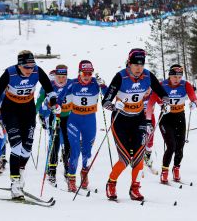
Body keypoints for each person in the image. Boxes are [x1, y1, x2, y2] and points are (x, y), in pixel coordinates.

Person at [102, 48, 169, 201]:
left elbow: (162, 92)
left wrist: (166, 102)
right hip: (120, 120)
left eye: (141, 64)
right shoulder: (120, 77)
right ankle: (111, 183)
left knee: (138, 157)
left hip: (138, 119)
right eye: (135, 64)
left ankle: (135, 188)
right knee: (125, 158)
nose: (139, 67)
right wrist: (113, 106)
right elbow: (105, 101)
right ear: (129, 64)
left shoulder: (147, 75)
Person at [0, 50, 57, 199]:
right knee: (16, 146)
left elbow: (50, 90)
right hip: (10, 110)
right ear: (19, 65)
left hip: (28, 110)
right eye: (27, 67)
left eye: (32, 66)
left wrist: (54, 104)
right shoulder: (10, 73)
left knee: (27, 149)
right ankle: (14, 183)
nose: (30, 70)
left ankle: (20, 172)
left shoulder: (37, 71)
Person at [146, 64, 197, 184]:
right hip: (166, 118)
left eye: (179, 77)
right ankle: (164, 172)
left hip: (180, 116)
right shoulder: (162, 85)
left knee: (180, 146)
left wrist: (194, 104)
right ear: (169, 75)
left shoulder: (185, 85)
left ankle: (176, 169)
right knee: (171, 145)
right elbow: (150, 103)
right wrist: (148, 120)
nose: (177, 79)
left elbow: (194, 99)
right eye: (174, 76)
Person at [63, 60, 107, 192]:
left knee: (87, 152)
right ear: (79, 72)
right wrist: (55, 106)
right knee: (75, 150)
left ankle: (84, 173)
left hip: (90, 121)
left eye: (89, 73)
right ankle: (71, 178)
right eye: (84, 73)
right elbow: (60, 96)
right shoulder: (73, 83)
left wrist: (103, 86)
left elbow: (109, 95)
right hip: (74, 120)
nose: (87, 76)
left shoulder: (95, 83)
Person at [36, 64, 72, 185]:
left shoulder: (71, 83)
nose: (61, 79)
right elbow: (40, 100)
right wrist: (36, 112)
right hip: (54, 116)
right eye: (58, 76)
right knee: (54, 143)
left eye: (63, 76)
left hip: (68, 117)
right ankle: (52, 170)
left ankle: (68, 168)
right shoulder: (49, 85)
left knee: (67, 143)